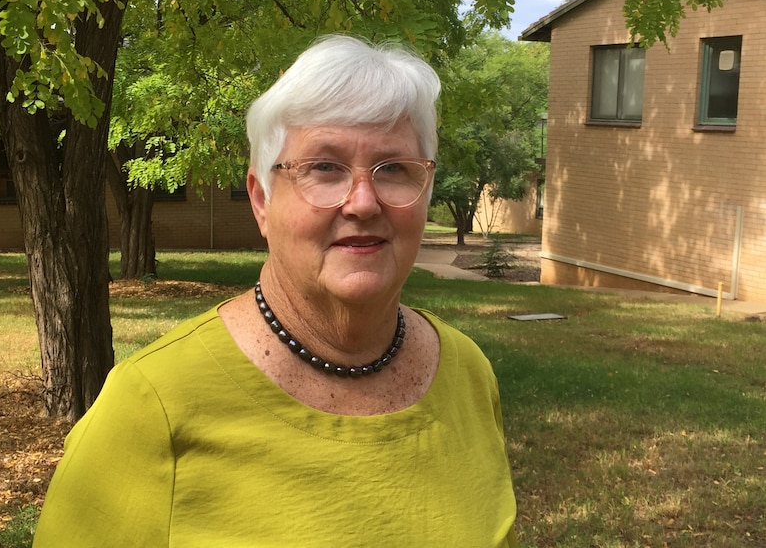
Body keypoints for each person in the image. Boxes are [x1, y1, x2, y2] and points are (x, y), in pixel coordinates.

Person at [33, 34, 518, 547]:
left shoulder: (468, 374)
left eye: (394, 168)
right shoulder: (153, 405)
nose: (362, 203)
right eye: (325, 167)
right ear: (261, 200)